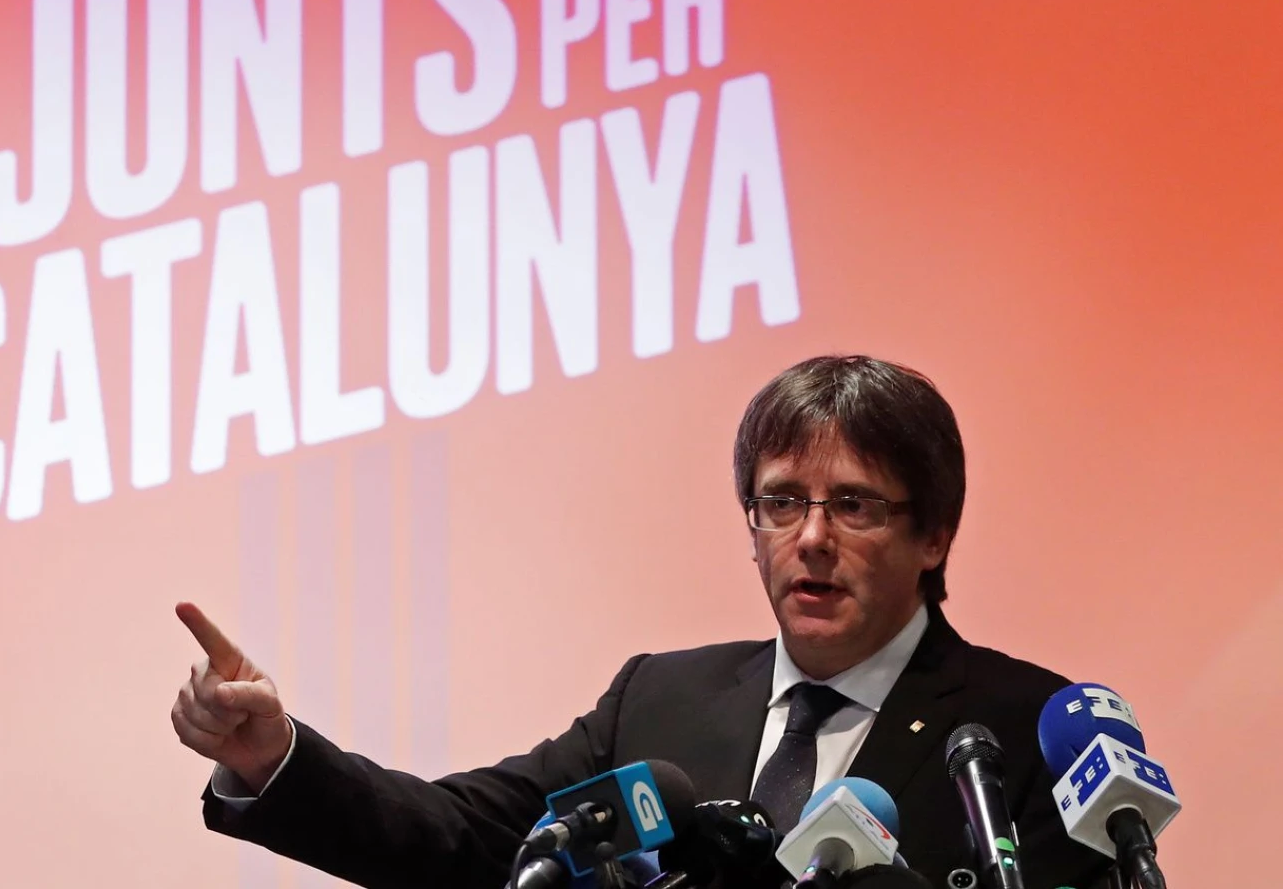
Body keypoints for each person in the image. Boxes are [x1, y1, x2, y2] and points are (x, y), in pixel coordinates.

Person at [172, 355, 1110, 888]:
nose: (811, 539)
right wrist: (272, 755)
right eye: (780, 503)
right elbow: (459, 836)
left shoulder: (1021, 731)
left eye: (854, 507)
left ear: (935, 533)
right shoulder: (662, 698)